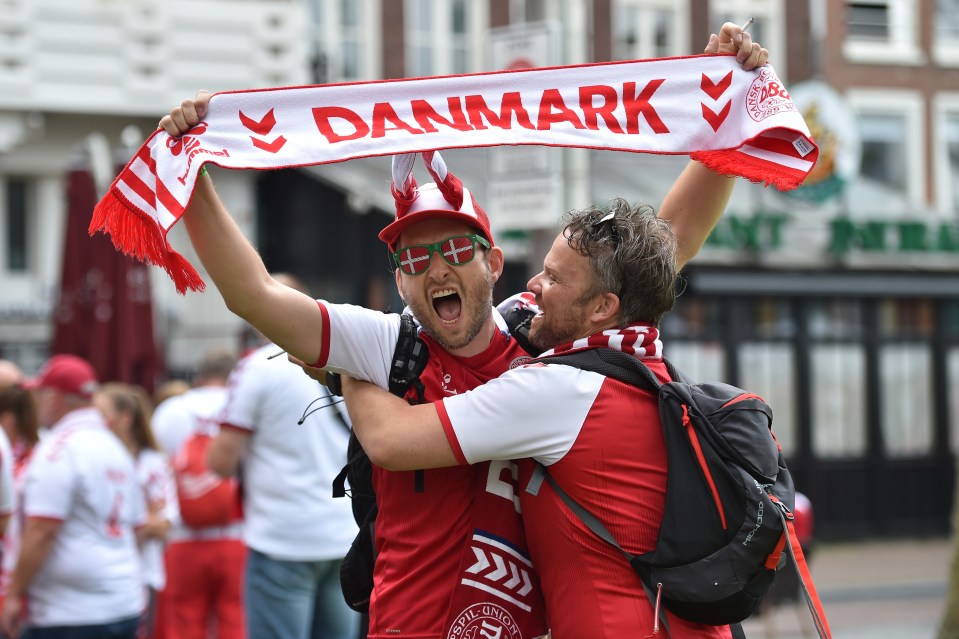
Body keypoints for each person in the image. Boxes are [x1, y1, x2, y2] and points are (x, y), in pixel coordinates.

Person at [158, 22, 766, 639]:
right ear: (399, 281)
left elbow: (667, 242)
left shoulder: (540, 332)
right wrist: (196, 174)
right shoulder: (386, 345)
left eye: (454, 249)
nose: (436, 269)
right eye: (413, 261)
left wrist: (725, 99)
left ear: (493, 263)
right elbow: (251, 294)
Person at [340, 199, 735, 638]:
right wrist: (727, 148)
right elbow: (673, 238)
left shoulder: (561, 387)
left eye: (553, 278)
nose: (533, 285)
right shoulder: (639, 363)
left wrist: (353, 365)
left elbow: (391, 440)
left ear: (602, 306)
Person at [206, 274, 359, 639]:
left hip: (282, 539)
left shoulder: (257, 367)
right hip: (343, 535)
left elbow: (220, 462)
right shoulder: (349, 360)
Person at [1, 354, 145, 639]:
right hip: (123, 599)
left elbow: (42, 529)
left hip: (70, 612)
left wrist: (14, 593)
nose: (37, 403)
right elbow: (138, 525)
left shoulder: (60, 448)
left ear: (54, 398)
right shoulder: (115, 446)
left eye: (41, 394)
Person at [149, 348, 243, 639]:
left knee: (184, 622)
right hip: (238, 533)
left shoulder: (171, 410)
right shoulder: (242, 403)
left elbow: (154, 469)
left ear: (199, 377)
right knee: (236, 619)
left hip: (182, 537)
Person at [94, 383, 176, 639]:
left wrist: (125, 524)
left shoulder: (153, 463)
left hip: (142, 573)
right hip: (96, 578)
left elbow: (164, 524)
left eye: (100, 414)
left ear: (125, 419)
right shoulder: (91, 456)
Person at [0, 383, 41, 613]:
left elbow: (6, 519)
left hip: (14, 563)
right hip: (34, 564)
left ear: (8, 418)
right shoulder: (48, 448)